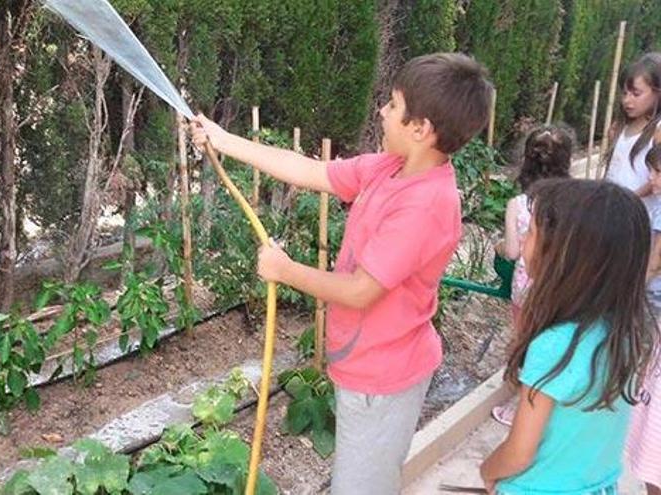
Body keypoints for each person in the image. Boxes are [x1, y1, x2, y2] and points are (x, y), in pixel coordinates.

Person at [190, 53, 493, 494]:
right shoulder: (391, 168)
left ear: (420, 129)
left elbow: (360, 290)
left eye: (392, 105)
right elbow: (312, 171)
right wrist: (223, 140)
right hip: (368, 369)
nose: (382, 112)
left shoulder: (425, 204)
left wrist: (286, 270)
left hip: (385, 381)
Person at [479, 179, 657, 495]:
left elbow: (519, 454)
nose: (523, 237)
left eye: (531, 231)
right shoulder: (628, 332)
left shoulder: (555, 344)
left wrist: (488, 469)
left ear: (564, 256)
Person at [492, 125, 573, 426]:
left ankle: (522, 410)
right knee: (553, 345)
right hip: (560, 288)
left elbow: (512, 252)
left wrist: (500, 246)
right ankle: (551, 405)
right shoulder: (572, 202)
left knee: (527, 345)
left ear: (526, 160)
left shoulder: (518, 204)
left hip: (525, 290)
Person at [625, 143, 661, 495]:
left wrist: (633, 290)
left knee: (648, 355)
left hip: (654, 297)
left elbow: (654, 262)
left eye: (657, 172)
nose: (651, 179)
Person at [605, 54, 661, 198]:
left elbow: (657, 179)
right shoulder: (619, 128)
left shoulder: (657, 131)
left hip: (642, 213)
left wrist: (631, 200)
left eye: (636, 94)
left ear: (657, 93)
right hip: (614, 207)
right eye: (624, 93)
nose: (627, 100)